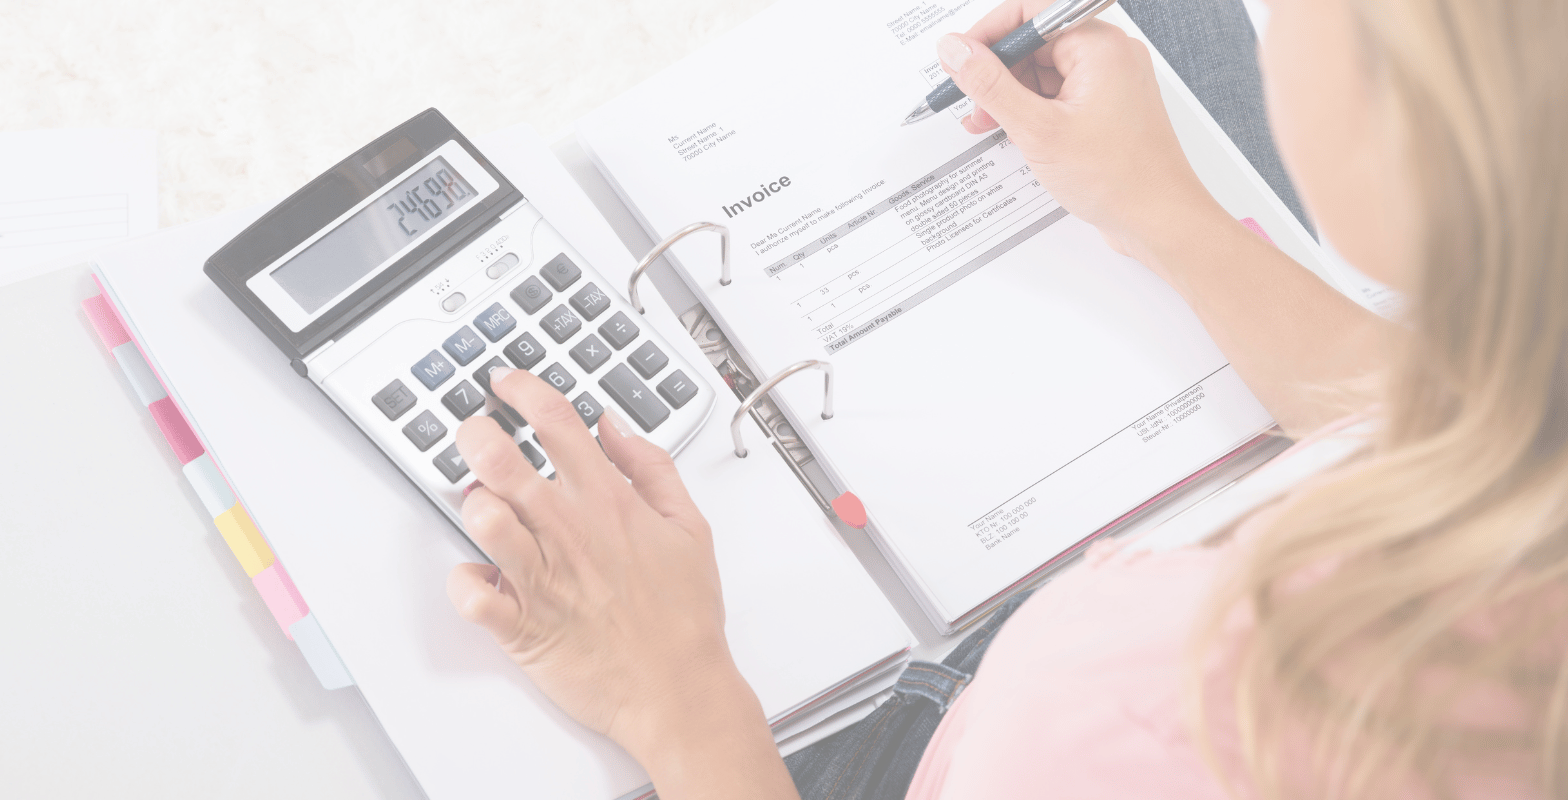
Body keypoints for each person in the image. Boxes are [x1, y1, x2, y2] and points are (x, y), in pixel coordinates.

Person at [444, 0, 1568, 796]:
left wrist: (674, 694)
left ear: (1428, 109)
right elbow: (1476, 448)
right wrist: (1164, 212)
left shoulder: (1143, 688)